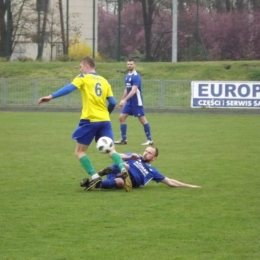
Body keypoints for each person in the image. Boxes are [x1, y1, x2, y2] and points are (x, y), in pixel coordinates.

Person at [38, 56, 132, 192]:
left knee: (79, 152)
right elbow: (112, 102)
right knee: (111, 150)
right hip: (105, 121)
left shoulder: (83, 77)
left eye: (80, 66)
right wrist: (106, 114)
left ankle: (95, 176)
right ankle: (123, 168)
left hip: (89, 120)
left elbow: (69, 88)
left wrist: (51, 96)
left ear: (86, 66)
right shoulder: (104, 81)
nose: (80, 69)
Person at [80, 146, 201, 191]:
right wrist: (128, 156)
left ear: (154, 158)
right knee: (125, 164)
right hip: (119, 170)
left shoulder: (152, 171)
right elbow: (113, 155)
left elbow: (170, 182)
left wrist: (189, 186)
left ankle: (92, 184)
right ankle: (106, 173)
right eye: (146, 151)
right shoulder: (135, 156)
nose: (146, 153)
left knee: (120, 182)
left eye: (149, 153)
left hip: (129, 181)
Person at [114, 58, 153, 146]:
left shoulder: (136, 76)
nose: (129, 65)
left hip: (136, 102)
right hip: (129, 103)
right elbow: (127, 89)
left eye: (131, 64)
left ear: (134, 65)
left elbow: (134, 90)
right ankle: (124, 139)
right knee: (121, 118)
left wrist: (125, 100)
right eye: (128, 64)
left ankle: (150, 139)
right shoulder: (127, 76)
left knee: (142, 120)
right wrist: (122, 100)